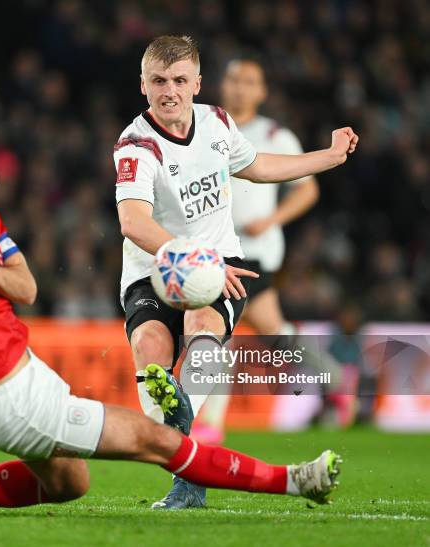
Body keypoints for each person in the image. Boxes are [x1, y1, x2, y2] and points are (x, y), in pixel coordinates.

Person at [0, 122, 341, 514]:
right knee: (159, 441)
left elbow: (26, 287)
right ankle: (296, 479)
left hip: (27, 375)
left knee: (70, 484)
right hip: (8, 397)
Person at [114, 36, 358, 509]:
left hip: (221, 266)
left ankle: (185, 468)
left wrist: (327, 158)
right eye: (159, 81)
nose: (170, 91)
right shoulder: (135, 145)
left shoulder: (217, 123)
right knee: (150, 351)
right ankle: (187, 457)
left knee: (202, 330)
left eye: (180, 81)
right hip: (153, 270)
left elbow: (259, 166)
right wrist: (189, 256)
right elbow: (132, 222)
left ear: (197, 84)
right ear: (142, 85)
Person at [191, 58, 359, 445]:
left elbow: (308, 189)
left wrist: (271, 219)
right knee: (258, 330)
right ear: (222, 84)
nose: (239, 88)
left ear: (262, 91)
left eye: (249, 81)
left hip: (254, 250)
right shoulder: (205, 127)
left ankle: (211, 422)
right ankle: (335, 378)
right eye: (233, 79)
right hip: (212, 247)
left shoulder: (275, 135)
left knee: (223, 327)